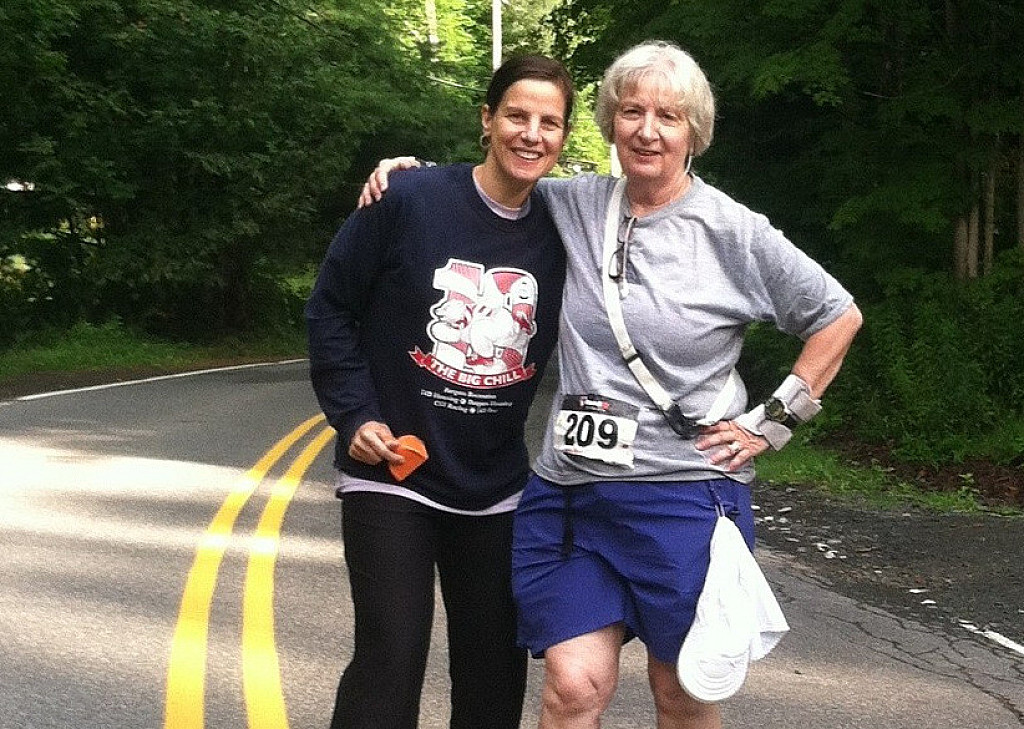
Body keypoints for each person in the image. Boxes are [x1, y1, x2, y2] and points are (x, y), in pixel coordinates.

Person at [363, 41, 862, 729]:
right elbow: (496, 183)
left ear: (695, 132)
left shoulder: (733, 231)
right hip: (573, 496)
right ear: (609, 124)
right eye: (631, 112)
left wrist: (771, 421)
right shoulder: (574, 204)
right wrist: (411, 178)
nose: (647, 131)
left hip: (682, 496)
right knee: (571, 688)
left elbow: (837, 315)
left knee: (681, 692)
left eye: (668, 116)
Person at [305, 55, 574, 729]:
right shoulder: (410, 199)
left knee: (493, 677)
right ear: (487, 119)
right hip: (392, 469)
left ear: (565, 136)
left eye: (549, 122)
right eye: (516, 115)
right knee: (389, 663)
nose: (531, 134)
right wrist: (354, 414)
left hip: (496, 486)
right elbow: (331, 306)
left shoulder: (567, 227)